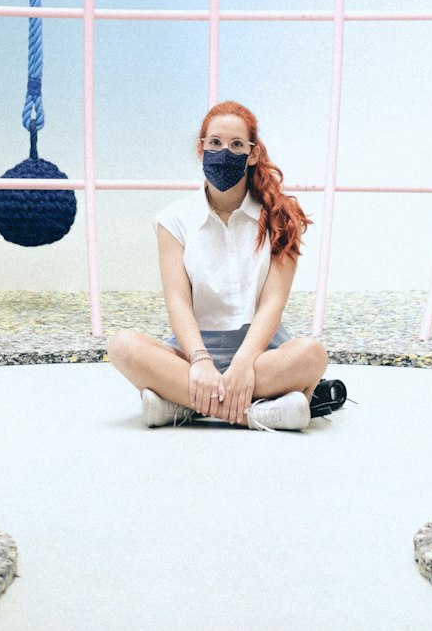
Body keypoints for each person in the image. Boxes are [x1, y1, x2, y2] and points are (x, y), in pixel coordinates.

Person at [108, 100, 329, 431]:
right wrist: (200, 362)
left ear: (253, 154)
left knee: (313, 355)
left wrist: (243, 363)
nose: (224, 152)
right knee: (122, 346)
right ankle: (255, 413)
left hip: (260, 355)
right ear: (201, 149)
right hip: (190, 356)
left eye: (236, 145)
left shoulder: (283, 218)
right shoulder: (173, 220)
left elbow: (273, 303)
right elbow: (178, 301)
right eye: (215, 143)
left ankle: (182, 405)